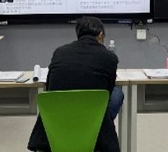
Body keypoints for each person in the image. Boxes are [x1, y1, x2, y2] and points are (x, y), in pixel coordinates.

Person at [27, 16, 122, 152]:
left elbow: (50, 86)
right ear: (101, 35)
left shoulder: (60, 52)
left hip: (56, 118)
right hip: (92, 112)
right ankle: (97, 128)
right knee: (117, 94)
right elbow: (108, 90)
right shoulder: (110, 57)